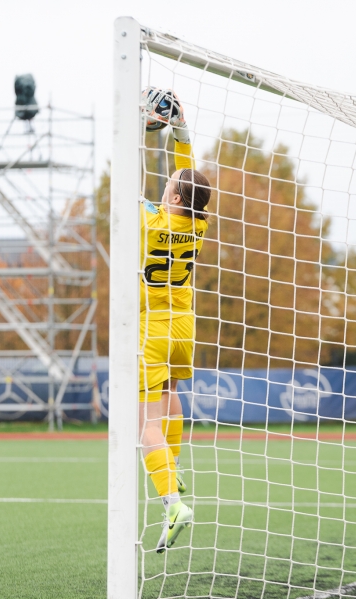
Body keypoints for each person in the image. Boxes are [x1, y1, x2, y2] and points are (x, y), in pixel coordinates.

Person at [139, 89, 212, 554]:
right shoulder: (199, 224)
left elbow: (134, 186)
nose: (165, 186)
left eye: (170, 186)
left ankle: (171, 501)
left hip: (151, 329)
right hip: (184, 326)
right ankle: (176, 469)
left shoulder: (148, 222)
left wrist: (140, 131)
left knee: (143, 423)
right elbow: (185, 178)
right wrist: (178, 130)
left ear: (176, 194)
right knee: (172, 396)